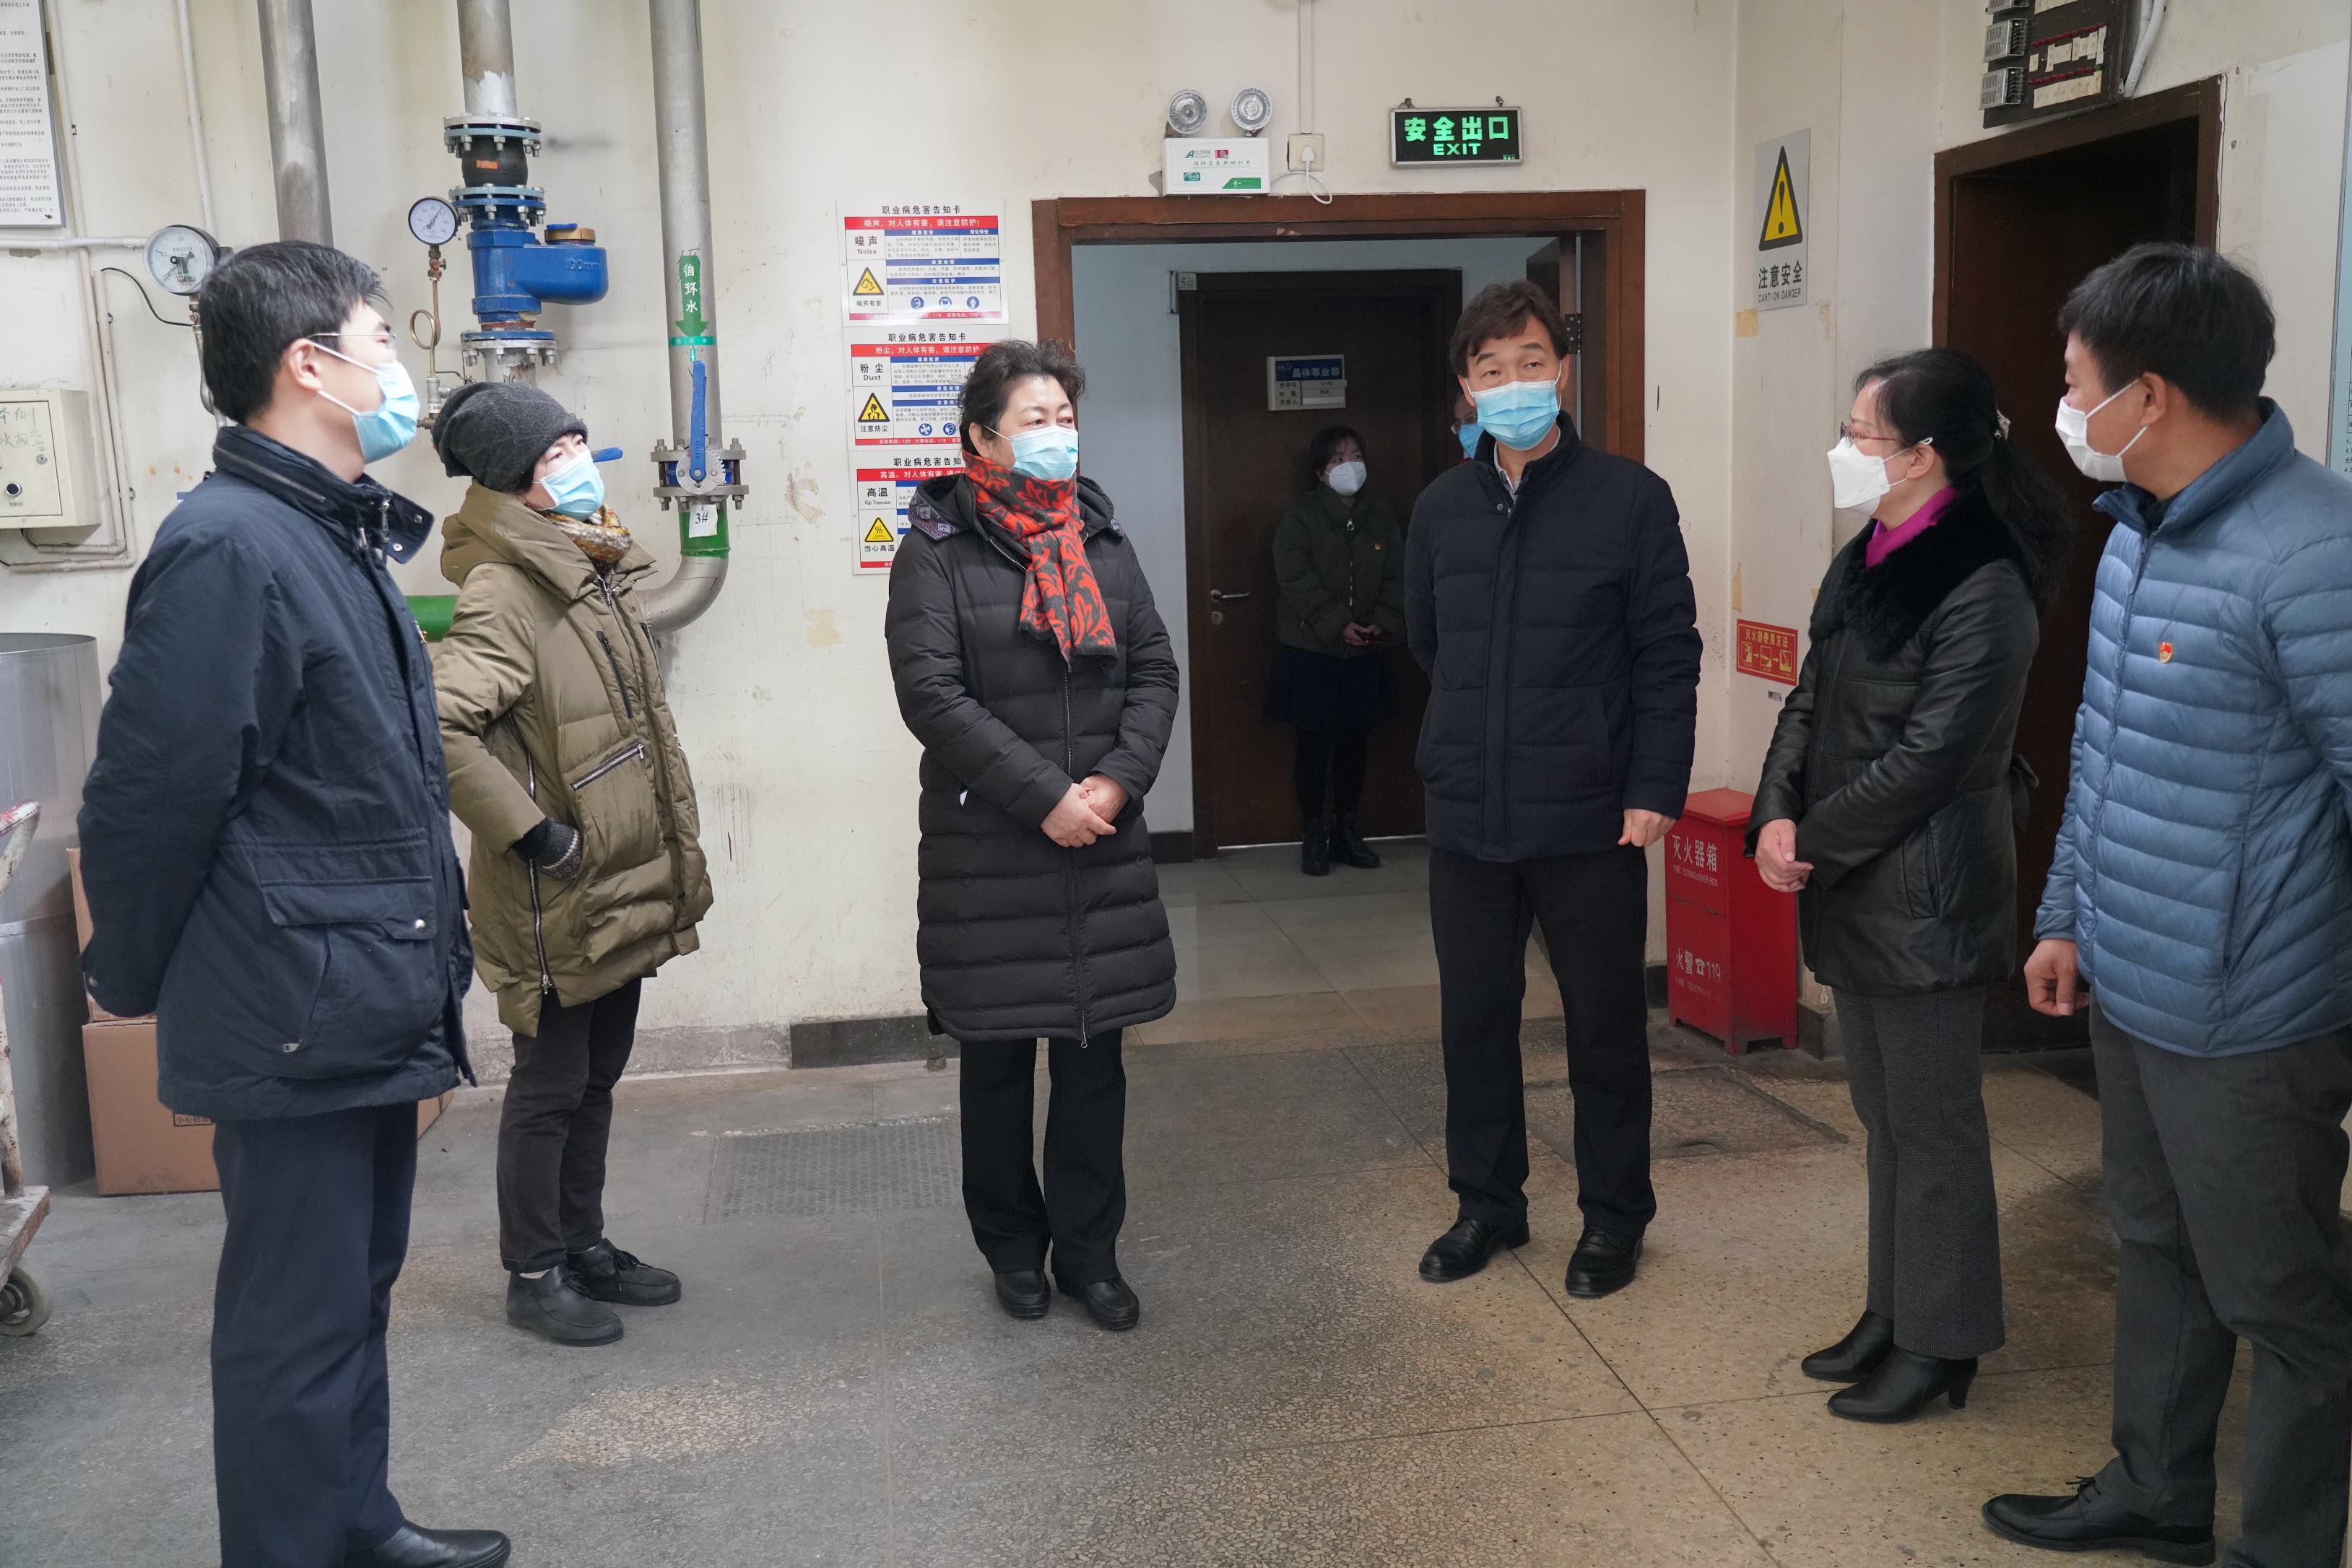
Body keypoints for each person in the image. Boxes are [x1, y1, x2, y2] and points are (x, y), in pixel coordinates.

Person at [75, 242, 509, 1568]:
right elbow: (155, 794)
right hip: (293, 1000)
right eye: (382, 339)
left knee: (349, 1297)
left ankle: (352, 1524)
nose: (399, 369)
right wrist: (129, 975)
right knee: (292, 1322)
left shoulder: (329, 530)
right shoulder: (230, 546)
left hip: (352, 986)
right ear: (308, 365)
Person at [1982, 245, 2352, 1567]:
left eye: (2075, 382)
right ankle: (2155, 1489)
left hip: (2253, 1008)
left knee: (2280, 1293)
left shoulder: (2313, 551)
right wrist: (2063, 915)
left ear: (2149, 395)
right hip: (2132, 974)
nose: (2063, 408)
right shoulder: (2140, 530)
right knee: (2152, 1243)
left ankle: (2285, 1545)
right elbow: (2104, 751)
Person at [1749, 348, 2070, 1424]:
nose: (1844, 450)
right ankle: (1892, 1312)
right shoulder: (1870, 554)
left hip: (1926, 893)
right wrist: (1773, 813)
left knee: (1934, 1130)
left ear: (1924, 454)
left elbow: (1934, 758)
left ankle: (1942, 1341)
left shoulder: (1984, 581)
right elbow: (1809, 699)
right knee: (1884, 1119)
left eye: (1862, 435)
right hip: (1853, 879)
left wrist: (1811, 841)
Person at [1405, 279, 1701, 1299]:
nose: (1513, 383)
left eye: (1530, 361)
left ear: (1563, 371)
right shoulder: (1440, 508)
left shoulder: (1629, 498)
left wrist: (1653, 783)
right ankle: (1486, 1205)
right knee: (1473, 1025)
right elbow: (1428, 643)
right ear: (1466, 388)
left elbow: (1667, 654)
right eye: (1491, 369)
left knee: (1604, 1030)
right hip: (1468, 815)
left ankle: (1614, 1217)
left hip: (1590, 815)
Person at [884, 339, 1180, 1333]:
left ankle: (1090, 1255)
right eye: (1034, 420)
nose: (1057, 435)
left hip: (1101, 837)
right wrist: (1044, 795)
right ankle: (1012, 1249)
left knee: (1095, 1061)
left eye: (1065, 418)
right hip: (991, 851)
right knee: (998, 1062)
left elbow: (1153, 671)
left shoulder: (1102, 538)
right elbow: (931, 695)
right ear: (982, 437)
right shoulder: (935, 549)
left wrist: (1115, 782)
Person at [428, 380, 713, 1349]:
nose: (581, 463)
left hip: (613, 880)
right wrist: (534, 834)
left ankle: (583, 1243)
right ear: (516, 480)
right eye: (558, 453)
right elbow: (440, 728)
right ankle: (534, 1270)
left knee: (595, 1077)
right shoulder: (506, 589)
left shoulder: (588, 567)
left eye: (579, 443)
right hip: (554, 889)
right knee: (549, 1087)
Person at [1265, 423, 1405, 875]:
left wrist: (1380, 622)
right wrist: (1338, 623)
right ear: (1321, 471)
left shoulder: (1380, 516)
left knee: (1355, 746)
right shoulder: (1301, 516)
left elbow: (1397, 575)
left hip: (1364, 652)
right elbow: (1294, 578)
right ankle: (1315, 836)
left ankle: (1348, 833)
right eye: (1338, 459)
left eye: (1356, 457)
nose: (1350, 466)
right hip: (1311, 652)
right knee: (1313, 746)